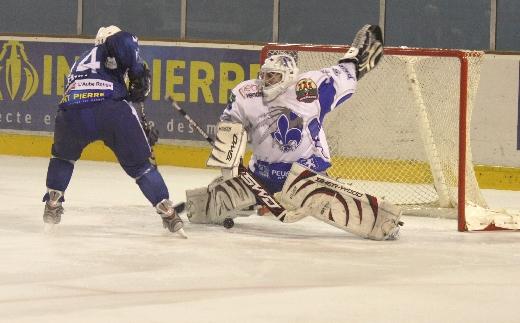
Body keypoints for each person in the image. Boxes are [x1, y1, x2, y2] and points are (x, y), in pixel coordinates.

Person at [186, 24, 401, 240]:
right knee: (205, 204)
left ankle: (381, 220)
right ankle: (249, 203)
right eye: (265, 76)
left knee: (308, 191)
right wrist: (229, 173)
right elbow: (229, 130)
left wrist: (355, 57)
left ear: (288, 76)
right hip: (260, 174)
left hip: (305, 170)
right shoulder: (247, 93)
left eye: (273, 77)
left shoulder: (311, 87)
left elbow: (347, 72)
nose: (266, 81)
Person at [42, 25, 185, 237]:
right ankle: (167, 210)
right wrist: (138, 76)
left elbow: (88, 87)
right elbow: (125, 44)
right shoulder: (115, 42)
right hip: (110, 110)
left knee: (62, 158)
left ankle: (53, 201)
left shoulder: (80, 60)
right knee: (141, 167)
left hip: (71, 112)